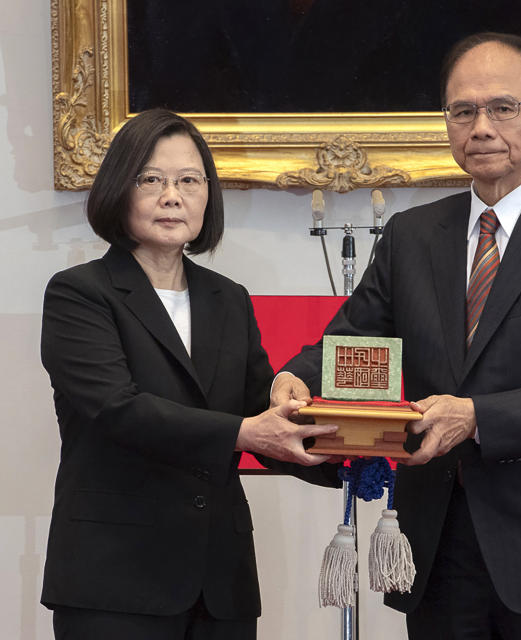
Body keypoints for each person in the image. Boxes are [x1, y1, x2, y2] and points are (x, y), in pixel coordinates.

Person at [274, 32, 521, 639]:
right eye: (463, 111)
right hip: (438, 555)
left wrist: (475, 416)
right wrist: (295, 375)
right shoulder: (410, 237)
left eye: (503, 107)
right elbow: (349, 346)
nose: (481, 127)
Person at [39, 108, 339, 639]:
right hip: (115, 578)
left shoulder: (229, 299)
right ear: (118, 190)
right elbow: (117, 410)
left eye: (189, 180)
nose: (171, 196)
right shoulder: (80, 293)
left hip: (219, 581)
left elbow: (263, 416)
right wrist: (245, 432)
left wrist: (349, 454)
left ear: (207, 196)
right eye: (150, 179)